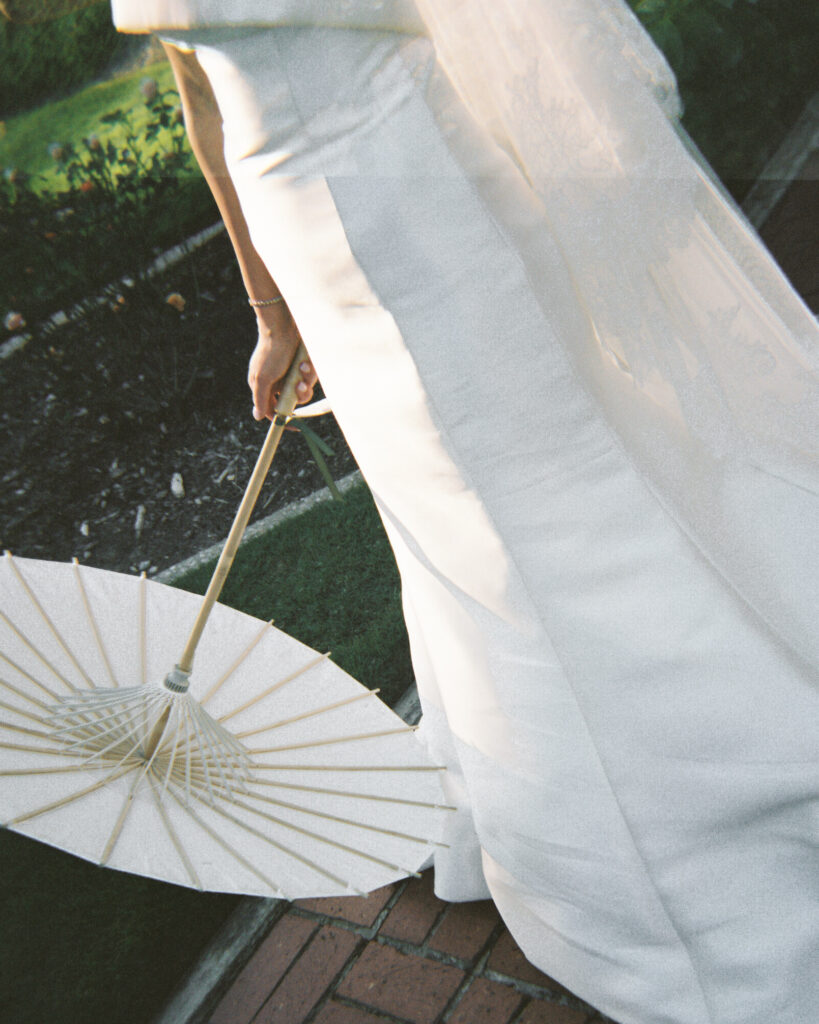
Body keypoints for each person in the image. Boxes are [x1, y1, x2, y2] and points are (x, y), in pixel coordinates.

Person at [111, 3, 819, 1023]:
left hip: (427, 208)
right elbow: (201, 96)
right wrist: (272, 311)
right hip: (309, 244)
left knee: (551, 515)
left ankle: (699, 833)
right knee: (447, 535)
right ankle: (527, 789)